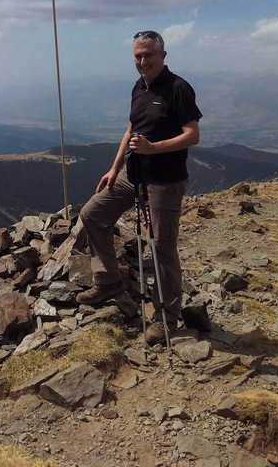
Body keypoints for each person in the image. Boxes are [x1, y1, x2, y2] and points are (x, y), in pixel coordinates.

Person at [76, 30, 202, 346]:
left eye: (147, 55)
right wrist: (114, 167)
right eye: (137, 56)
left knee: (162, 245)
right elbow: (131, 128)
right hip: (133, 174)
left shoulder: (178, 88)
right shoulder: (139, 87)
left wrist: (153, 149)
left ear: (162, 55)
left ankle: (166, 318)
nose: (142, 61)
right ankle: (107, 280)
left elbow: (192, 135)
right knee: (92, 213)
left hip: (165, 180)